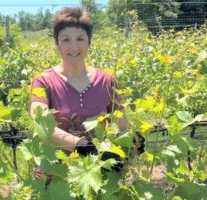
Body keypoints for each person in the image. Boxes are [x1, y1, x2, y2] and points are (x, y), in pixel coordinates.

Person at [30, 7, 144, 174]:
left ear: (89, 42)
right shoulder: (43, 80)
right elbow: (39, 123)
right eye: (66, 39)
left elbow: (121, 124)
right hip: (55, 175)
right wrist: (80, 145)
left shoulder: (107, 80)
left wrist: (133, 141)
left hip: (100, 172)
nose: (74, 46)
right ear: (56, 43)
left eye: (80, 39)